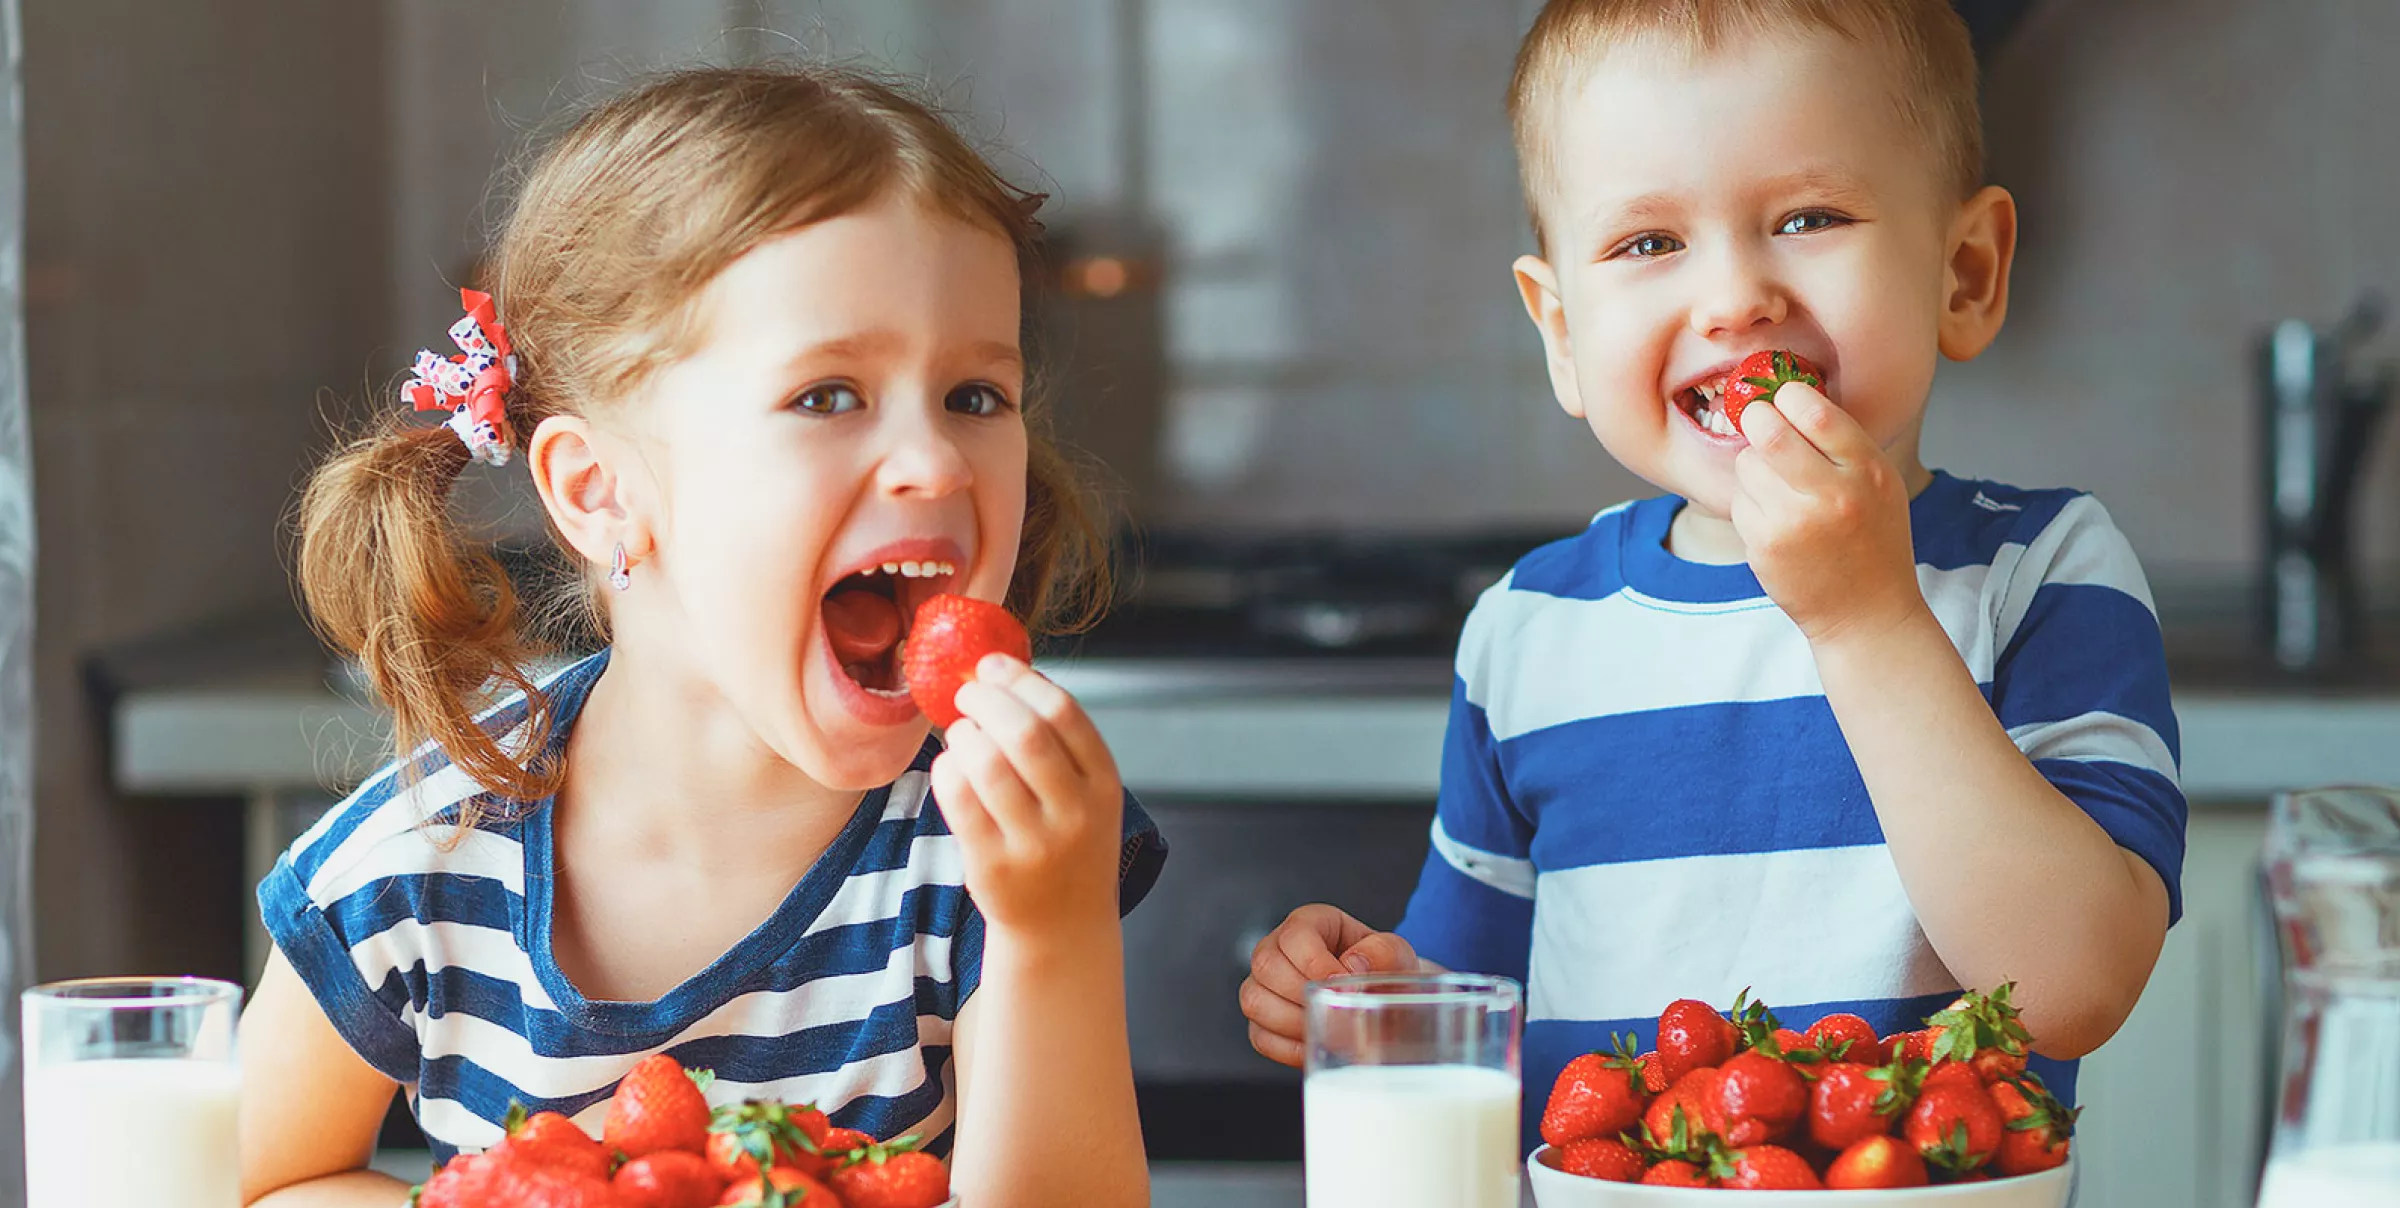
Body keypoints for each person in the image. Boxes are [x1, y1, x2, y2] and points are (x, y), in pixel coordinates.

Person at [1240, 0, 2183, 1149]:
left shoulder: (2044, 572)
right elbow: (1474, 1007)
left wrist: (1868, 619)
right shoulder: (1528, 628)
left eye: (1808, 216)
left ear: (1965, 273)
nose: (1736, 297)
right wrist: (1374, 997)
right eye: (1648, 242)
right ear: (1564, 335)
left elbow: (2077, 985)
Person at [239, 65, 1164, 1207]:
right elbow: (261, 1178)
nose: (934, 461)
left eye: (976, 395)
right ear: (598, 491)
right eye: (829, 393)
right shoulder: (417, 858)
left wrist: (1050, 931)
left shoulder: (986, 854)